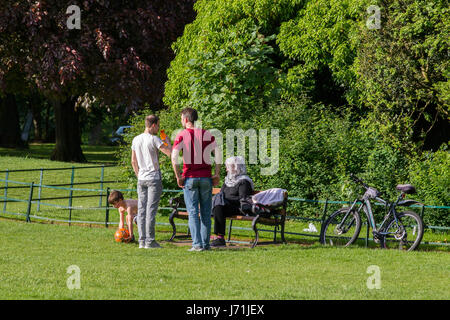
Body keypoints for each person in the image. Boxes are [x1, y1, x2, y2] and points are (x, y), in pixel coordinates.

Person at [171, 107, 221, 251]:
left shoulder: (182, 135)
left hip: (190, 178)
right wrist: (217, 173)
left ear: (186, 119)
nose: (181, 121)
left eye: (181, 118)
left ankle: (197, 244)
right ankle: (205, 245)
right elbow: (217, 154)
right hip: (206, 178)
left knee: (193, 212)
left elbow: (174, 158)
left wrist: (178, 175)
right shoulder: (207, 134)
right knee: (206, 212)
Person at [131, 115, 172, 249]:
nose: (159, 128)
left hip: (141, 178)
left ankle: (142, 241)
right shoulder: (154, 139)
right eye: (158, 125)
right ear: (153, 125)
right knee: (151, 211)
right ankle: (150, 241)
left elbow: (133, 161)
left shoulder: (136, 139)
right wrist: (167, 142)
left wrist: (138, 175)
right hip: (153, 178)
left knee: (141, 210)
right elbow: (170, 153)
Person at [210, 156, 254, 247]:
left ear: (236, 167)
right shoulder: (228, 181)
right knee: (217, 205)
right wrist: (223, 200)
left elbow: (243, 199)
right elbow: (221, 194)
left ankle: (220, 238)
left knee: (218, 206)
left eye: (228, 167)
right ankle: (208, 235)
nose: (226, 169)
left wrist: (227, 199)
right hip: (225, 206)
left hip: (238, 207)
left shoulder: (244, 181)